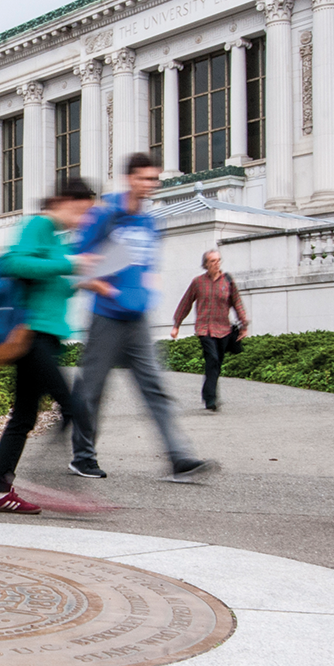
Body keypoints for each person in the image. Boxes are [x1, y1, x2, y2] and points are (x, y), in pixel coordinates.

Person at [70, 152, 210, 481]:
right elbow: (78, 263)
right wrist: (104, 289)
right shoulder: (107, 216)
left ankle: (179, 457)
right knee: (92, 391)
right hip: (106, 316)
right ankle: (82, 457)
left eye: (155, 179)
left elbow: (147, 267)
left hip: (138, 320)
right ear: (130, 179)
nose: (152, 185)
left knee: (155, 388)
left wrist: (148, 292)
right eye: (146, 179)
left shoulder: (148, 222)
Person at [0, 177, 96, 515]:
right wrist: (70, 265)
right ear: (64, 201)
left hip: (43, 336)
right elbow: (14, 263)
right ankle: (53, 485)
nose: (83, 219)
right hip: (30, 336)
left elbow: (50, 287)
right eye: (81, 210)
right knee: (73, 406)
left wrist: (81, 282)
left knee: (24, 417)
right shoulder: (38, 224)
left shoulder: (57, 239)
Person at [171, 249, 248, 411]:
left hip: (224, 329)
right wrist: (176, 325)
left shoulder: (227, 281)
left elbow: (237, 302)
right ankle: (210, 399)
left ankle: (209, 395)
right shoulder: (198, 282)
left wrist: (244, 325)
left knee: (216, 364)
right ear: (205, 264)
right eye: (212, 261)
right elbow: (186, 303)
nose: (216, 264)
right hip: (204, 329)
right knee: (212, 359)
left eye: (218, 260)